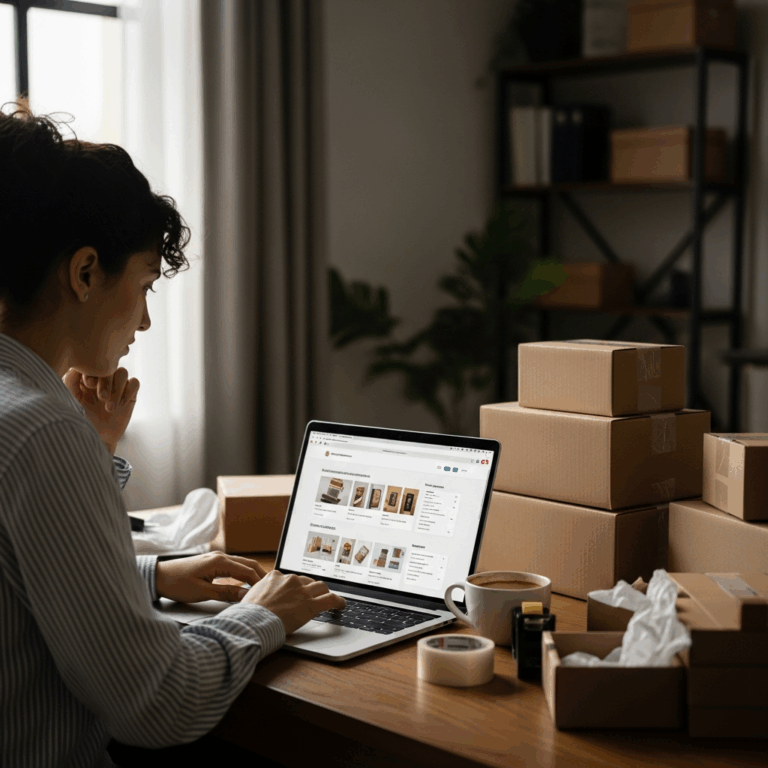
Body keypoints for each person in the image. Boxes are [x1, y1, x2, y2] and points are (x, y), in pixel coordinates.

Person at [0, 102, 346, 767]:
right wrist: (266, 611)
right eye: (144, 285)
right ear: (84, 273)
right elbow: (158, 701)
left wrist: (156, 573)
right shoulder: (42, 430)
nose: (146, 322)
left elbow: (26, 582)